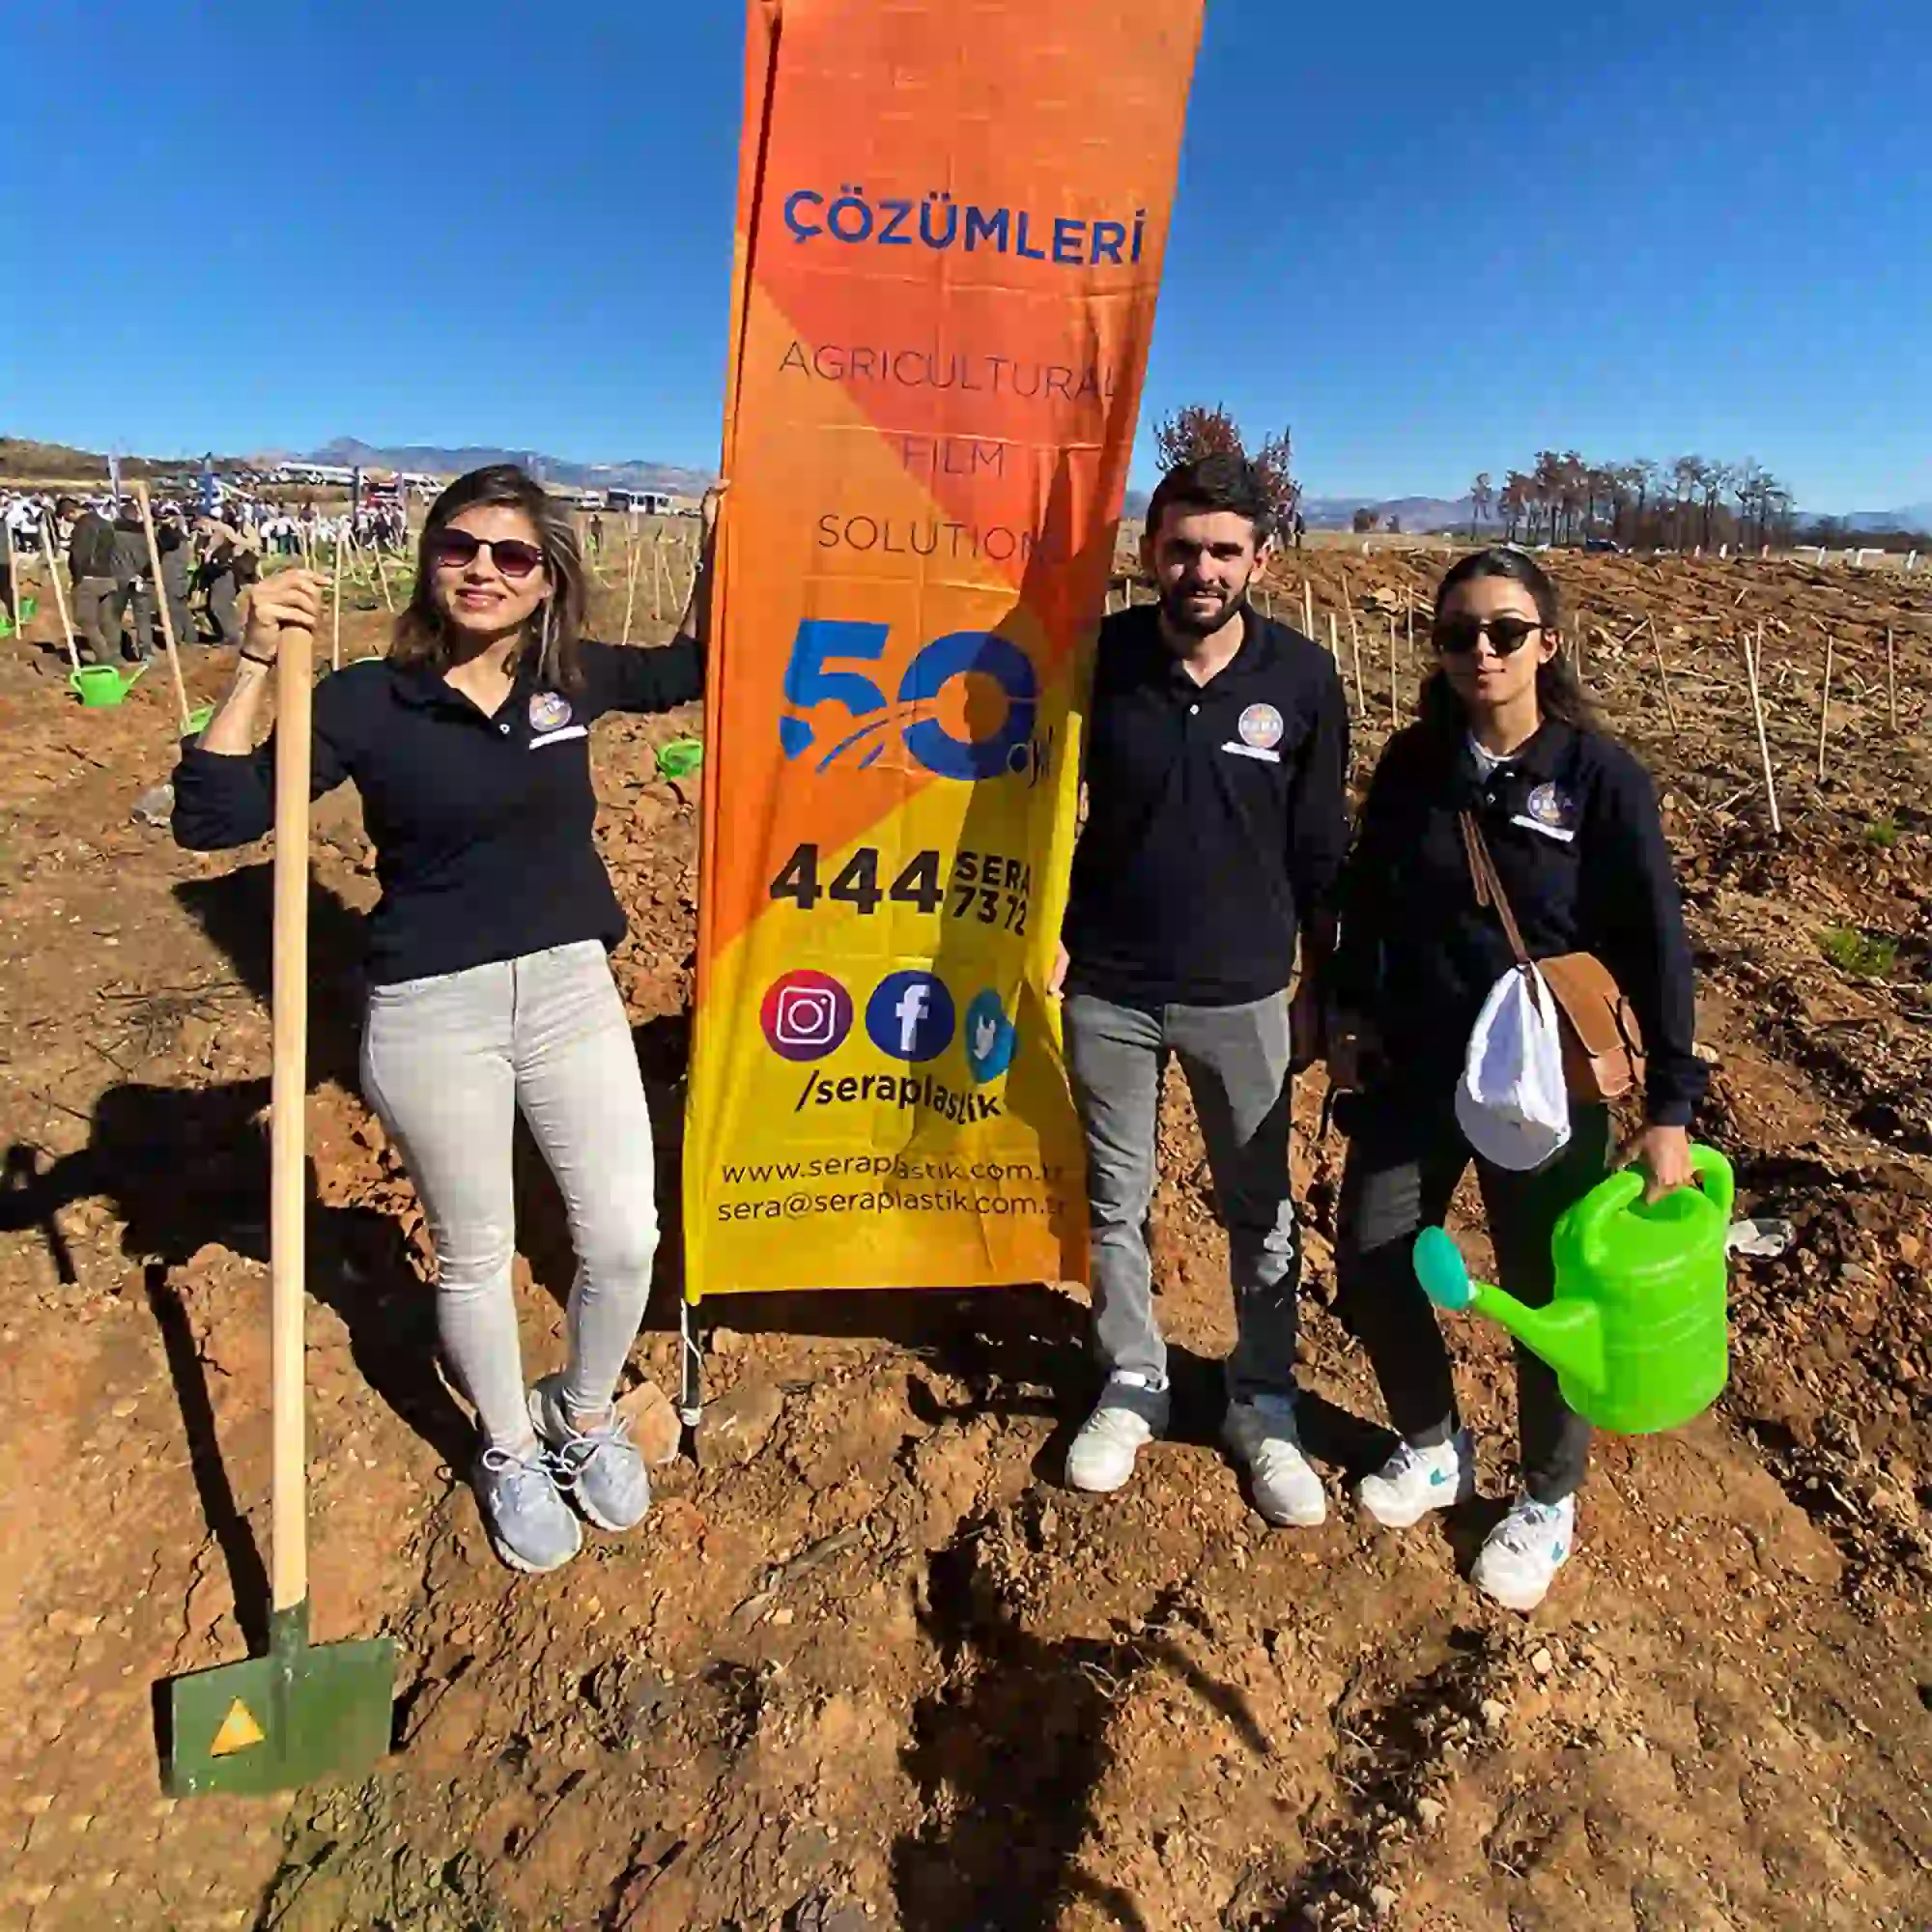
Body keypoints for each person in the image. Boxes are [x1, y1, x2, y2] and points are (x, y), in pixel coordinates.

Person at [173, 464, 722, 1575]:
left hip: (570, 987)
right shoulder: (369, 699)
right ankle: (509, 1447)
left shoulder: (571, 677)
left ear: (545, 579)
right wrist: (248, 669)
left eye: (512, 555)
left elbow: (696, 665)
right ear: (430, 560)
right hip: (433, 1009)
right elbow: (213, 814)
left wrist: (718, 545)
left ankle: (580, 1409)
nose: (483, 569)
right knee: (475, 1251)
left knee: (623, 1234)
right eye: (460, 547)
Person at [1327, 546, 1705, 1610]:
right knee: (1371, 1256)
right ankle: (1433, 1441)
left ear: (1546, 639)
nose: (1478, 650)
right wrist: (1350, 1012)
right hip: (1413, 1066)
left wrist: (1669, 1107)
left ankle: (1546, 1495)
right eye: (1456, 634)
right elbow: (1366, 895)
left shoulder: (1598, 778)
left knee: (1546, 1296)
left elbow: (1658, 947)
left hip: (1542, 1087)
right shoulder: (1412, 765)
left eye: (1501, 629)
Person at [1052, 452, 1350, 1523]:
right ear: (1147, 552)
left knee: (1258, 1204)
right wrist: (1045, 930)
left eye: (1223, 550)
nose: (1200, 568)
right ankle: (1134, 1379)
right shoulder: (1100, 657)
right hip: (1108, 987)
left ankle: (1261, 1397)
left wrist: (1321, 983)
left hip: (1243, 994)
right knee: (1114, 1199)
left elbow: (1322, 849)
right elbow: (1028, 799)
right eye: (1180, 547)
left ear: (1259, 560)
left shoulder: (1303, 681)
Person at [63, 496, 123, 667]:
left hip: (88, 578)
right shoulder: (106, 523)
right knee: (107, 618)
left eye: (67, 518)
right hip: (107, 576)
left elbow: (79, 556)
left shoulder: (82, 527)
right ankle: (116, 654)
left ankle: (105, 657)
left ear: (71, 512)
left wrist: (76, 578)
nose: (68, 521)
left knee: (84, 619)